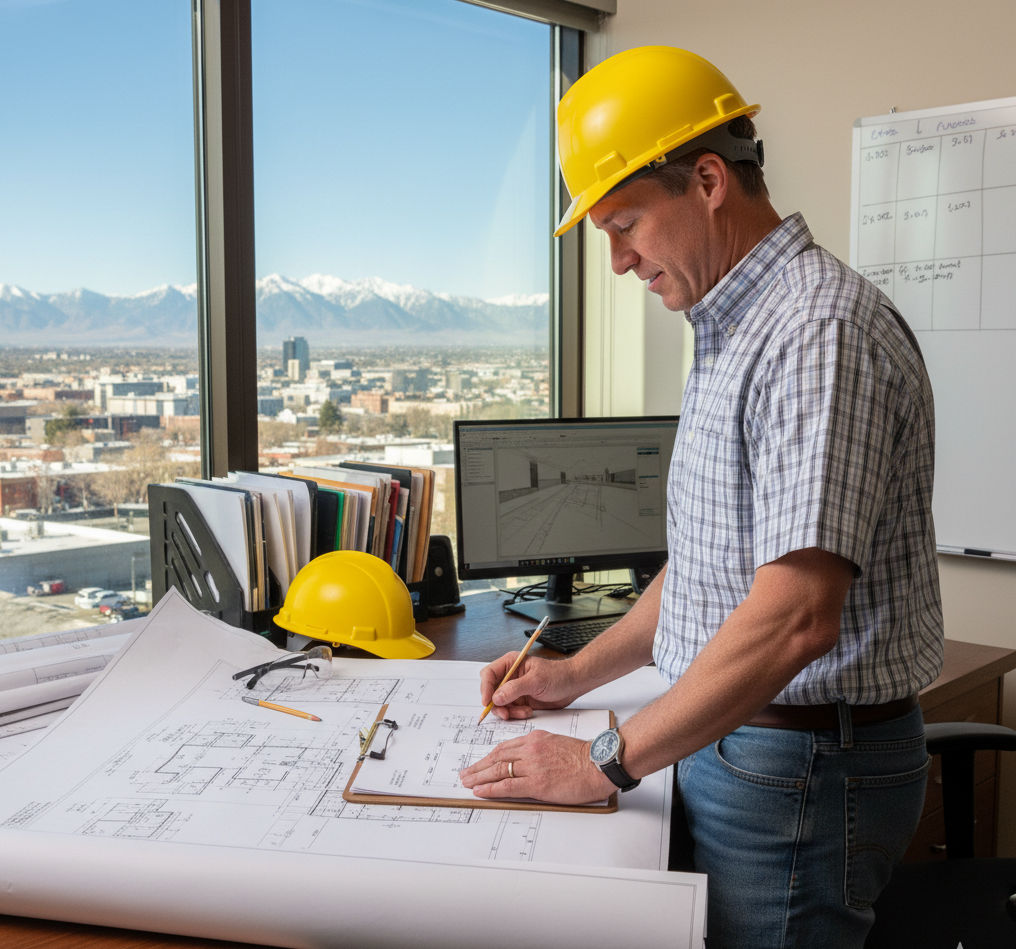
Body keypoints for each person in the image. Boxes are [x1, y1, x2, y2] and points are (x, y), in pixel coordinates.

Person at [459, 46, 945, 948]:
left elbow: (795, 617)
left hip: (795, 765)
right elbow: (709, 571)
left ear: (710, 180)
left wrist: (602, 761)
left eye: (626, 223)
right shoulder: (734, 325)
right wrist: (572, 675)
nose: (616, 260)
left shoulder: (814, 332)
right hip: (743, 744)